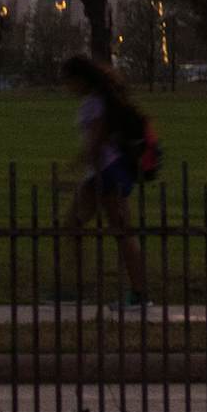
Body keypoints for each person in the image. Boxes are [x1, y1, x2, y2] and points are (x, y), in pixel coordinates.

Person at [63, 53, 154, 310]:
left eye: (69, 81)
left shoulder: (95, 103)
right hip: (99, 173)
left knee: (122, 231)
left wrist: (76, 166)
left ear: (80, 80)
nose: (67, 88)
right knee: (74, 225)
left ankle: (139, 293)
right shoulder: (98, 100)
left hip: (108, 172)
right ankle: (77, 287)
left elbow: (96, 141)